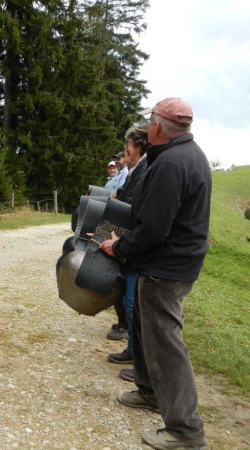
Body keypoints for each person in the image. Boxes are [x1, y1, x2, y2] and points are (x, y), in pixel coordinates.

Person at [99, 97, 209, 450]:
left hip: (167, 266)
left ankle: (186, 430)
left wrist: (119, 246)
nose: (147, 128)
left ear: (159, 127)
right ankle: (149, 392)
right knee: (145, 329)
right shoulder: (185, 155)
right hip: (167, 262)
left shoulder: (172, 163)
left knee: (165, 344)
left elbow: (154, 227)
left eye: (150, 123)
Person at [106, 126, 149, 374]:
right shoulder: (136, 170)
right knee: (130, 301)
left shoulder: (144, 170)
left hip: (135, 245)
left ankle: (140, 360)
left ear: (139, 147)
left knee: (134, 304)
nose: (125, 151)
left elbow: (132, 205)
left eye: (128, 146)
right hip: (129, 242)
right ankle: (133, 350)